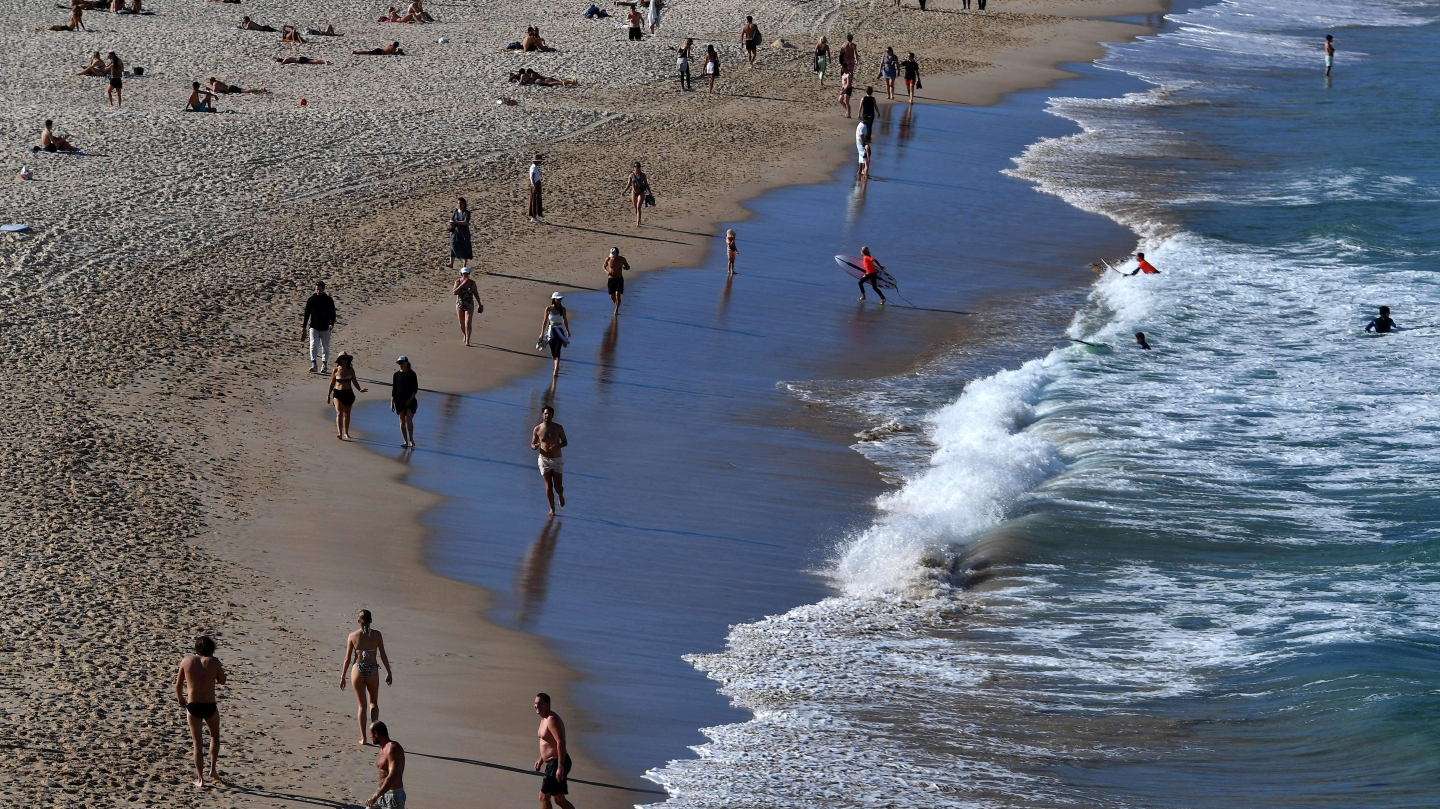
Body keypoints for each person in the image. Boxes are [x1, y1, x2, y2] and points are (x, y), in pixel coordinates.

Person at [176, 636, 226, 788]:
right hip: (210, 705)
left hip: (193, 706)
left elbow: (178, 685)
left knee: (197, 743)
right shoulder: (214, 662)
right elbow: (222, 681)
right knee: (214, 736)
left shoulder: (186, 661)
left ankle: (200, 779)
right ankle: (213, 770)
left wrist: (181, 699)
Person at [341, 610, 393, 744]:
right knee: (373, 703)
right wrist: (389, 671)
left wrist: (343, 676)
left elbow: (347, 658)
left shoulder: (352, 636)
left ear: (359, 621)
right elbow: (383, 655)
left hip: (357, 669)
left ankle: (364, 738)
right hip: (372, 669)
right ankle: (376, 736)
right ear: (371, 620)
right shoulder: (377, 635)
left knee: (362, 705)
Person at [533, 693, 575, 809]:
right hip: (554, 762)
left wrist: (560, 767)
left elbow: (561, 742)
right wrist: (541, 759)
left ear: (548, 704)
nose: (537, 706)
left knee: (543, 797)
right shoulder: (544, 718)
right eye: (536, 703)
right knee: (559, 798)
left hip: (557, 762)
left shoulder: (552, 719)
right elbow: (549, 742)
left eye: (540, 703)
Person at [531, 408, 567, 516]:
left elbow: (565, 442)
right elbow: (532, 444)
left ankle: (560, 494)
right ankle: (552, 509)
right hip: (543, 460)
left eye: (549, 414)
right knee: (548, 486)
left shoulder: (558, 428)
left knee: (558, 487)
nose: (547, 416)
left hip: (556, 460)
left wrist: (557, 445)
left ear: (552, 415)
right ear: (542, 415)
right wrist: (535, 446)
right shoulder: (537, 429)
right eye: (546, 414)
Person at [365, 722, 406, 809]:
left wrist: (376, 796)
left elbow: (392, 776)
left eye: (370, 733)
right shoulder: (383, 748)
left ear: (376, 733)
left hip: (393, 796)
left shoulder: (393, 748)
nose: (370, 736)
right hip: (381, 793)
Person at [327, 353, 367, 439]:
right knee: (339, 413)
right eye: (343, 359)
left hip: (348, 393)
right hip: (338, 393)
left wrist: (360, 389)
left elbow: (354, 381)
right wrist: (328, 395)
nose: (344, 361)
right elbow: (332, 383)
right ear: (339, 360)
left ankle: (346, 433)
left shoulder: (351, 370)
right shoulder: (335, 370)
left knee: (347, 414)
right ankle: (339, 433)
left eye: (346, 359)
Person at [303, 281, 336, 373]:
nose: (318, 291)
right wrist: (304, 326)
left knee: (325, 347)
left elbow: (333, 313)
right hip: (314, 326)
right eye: (317, 289)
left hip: (326, 327)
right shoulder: (311, 300)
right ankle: (314, 364)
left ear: (323, 289)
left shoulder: (328, 300)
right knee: (313, 344)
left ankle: (324, 365)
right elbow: (307, 313)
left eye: (320, 289)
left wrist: (331, 323)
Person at [539, 293, 571, 377]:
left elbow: (565, 321)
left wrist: (568, 331)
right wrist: (542, 333)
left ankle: (556, 369)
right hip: (551, 331)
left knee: (558, 349)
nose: (559, 300)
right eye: (558, 299)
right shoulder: (548, 309)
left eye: (560, 299)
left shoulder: (563, 309)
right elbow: (545, 321)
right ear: (554, 299)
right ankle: (556, 366)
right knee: (553, 351)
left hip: (559, 331)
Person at [391, 357, 419, 446]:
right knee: (401, 421)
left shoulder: (412, 374)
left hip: (410, 400)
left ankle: (411, 439)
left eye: (402, 363)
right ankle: (405, 441)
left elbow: (415, 389)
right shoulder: (396, 375)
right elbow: (394, 390)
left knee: (409, 420)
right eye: (399, 363)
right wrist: (392, 403)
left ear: (406, 363)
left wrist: (409, 400)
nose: (400, 365)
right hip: (399, 400)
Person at [453, 267, 479, 345]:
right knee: (462, 324)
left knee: (467, 323)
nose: (465, 275)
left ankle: (467, 339)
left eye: (467, 274)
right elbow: (454, 292)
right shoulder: (457, 282)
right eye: (464, 274)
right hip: (459, 305)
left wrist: (480, 304)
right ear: (461, 274)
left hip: (469, 305)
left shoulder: (472, 283)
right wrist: (462, 284)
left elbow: (476, 293)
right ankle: (465, 334)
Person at [604, 247, 629, 314]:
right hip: (611, 279)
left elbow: (628, 267)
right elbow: (604, 266)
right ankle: (617, 304)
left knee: (617, 294)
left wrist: (625, 268)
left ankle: (616, 309)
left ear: (617, 253)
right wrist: (607, 272)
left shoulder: (622, 259)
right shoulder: (608, 259)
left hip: (619, 279)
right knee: (612, 297)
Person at [449, 197, 472, 269]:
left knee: (465, 247)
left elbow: (466, 222)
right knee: (453, 245)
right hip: (455, 231)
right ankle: (451, 263)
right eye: (458, 203)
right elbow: (451, 219)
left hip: (464, 233)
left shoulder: (466, 213)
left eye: (460, 203)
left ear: (464, 205)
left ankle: (464, 265)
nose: (459, 205)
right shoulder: (455, 211)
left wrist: (456, 222)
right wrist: (451, 223)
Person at [625, 162, 650, 227]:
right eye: (635, 167)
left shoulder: (643, 175)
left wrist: (650, 192)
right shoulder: (631, 175)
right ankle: (639, 219)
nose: (637, 168)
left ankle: (638, 223)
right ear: (634, 168)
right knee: (635, 208)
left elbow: (646, 183)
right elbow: (628, 184)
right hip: (634, 192)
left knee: (639, 207)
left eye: (638, 167)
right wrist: (624, 191)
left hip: (641, 193)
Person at [529, 154, 544, 221]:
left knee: (535, 199)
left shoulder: (534, 166)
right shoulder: (534, 167)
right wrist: (534, 186)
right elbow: (532, 177)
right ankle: (533, 216)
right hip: (535, 184)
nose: (541, 162)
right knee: (534, 200)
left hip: (536, 184)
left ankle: (534, 215)